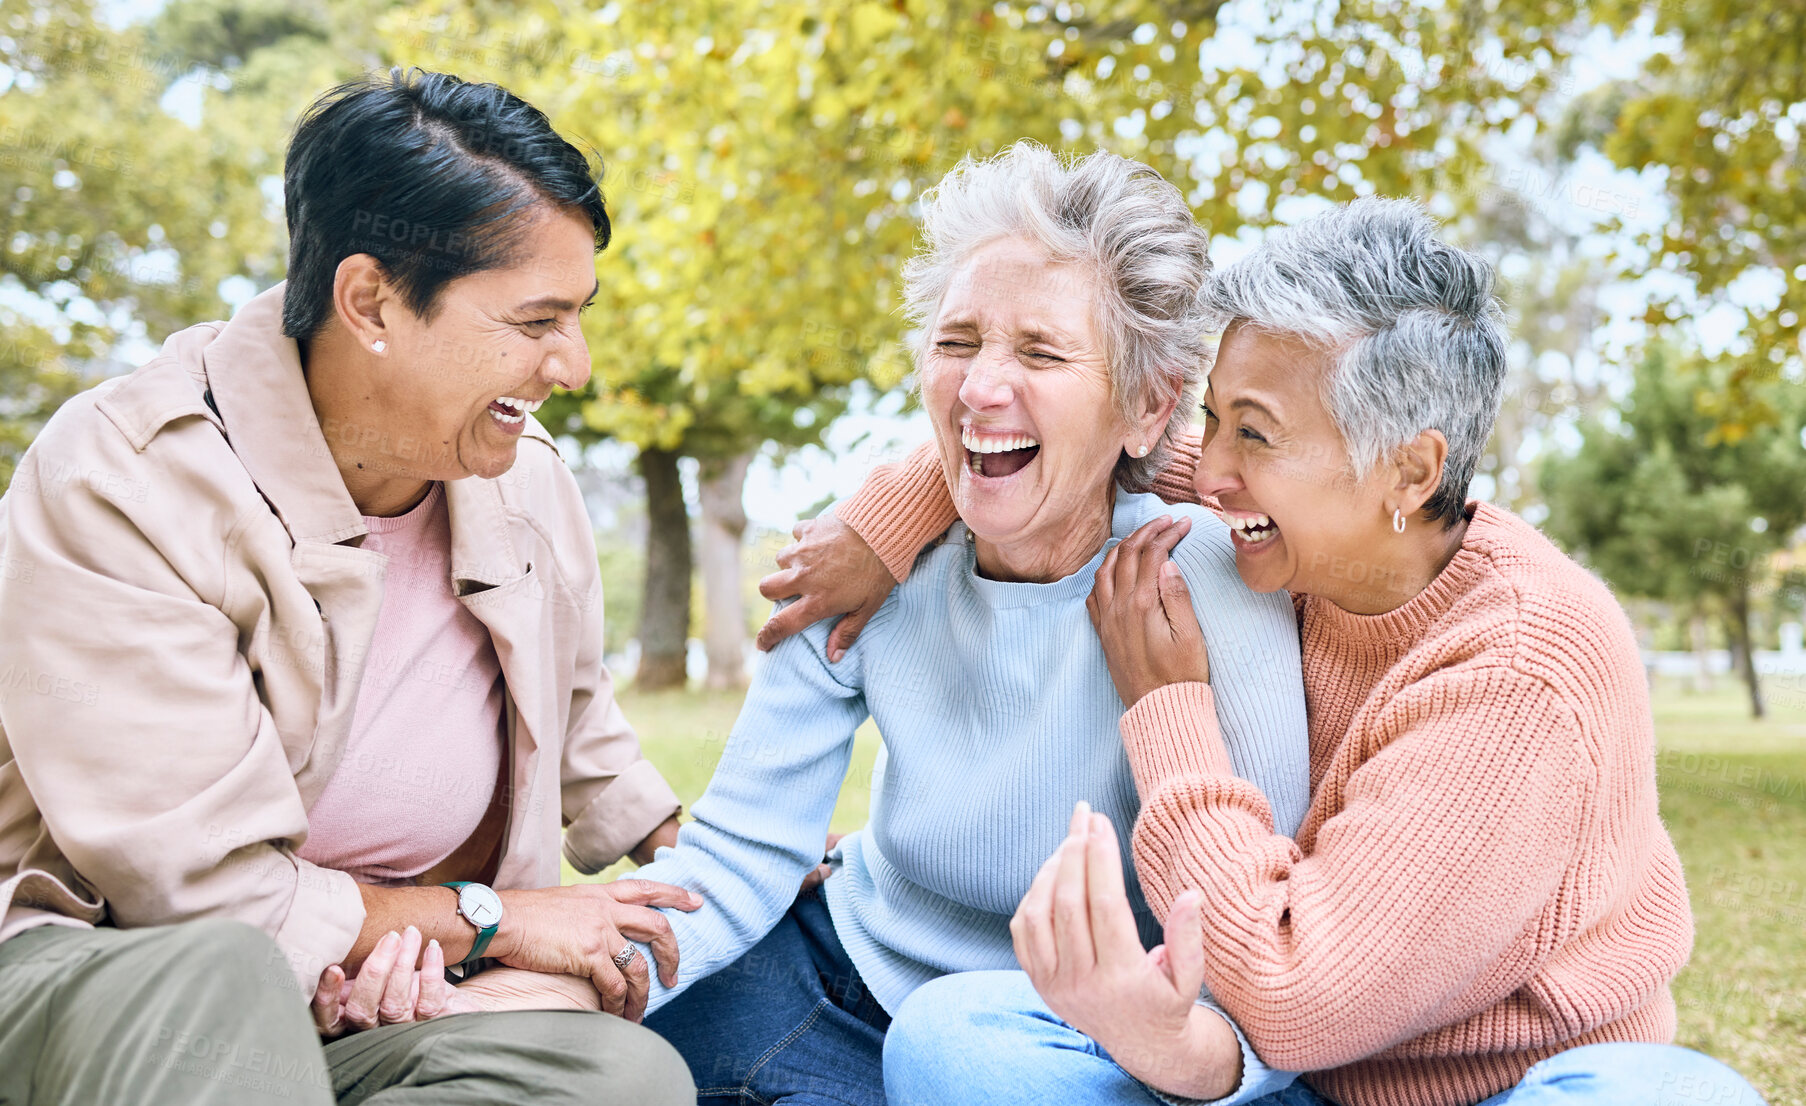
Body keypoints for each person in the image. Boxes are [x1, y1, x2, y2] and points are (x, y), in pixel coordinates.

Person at [765, 198, 1767, 1106]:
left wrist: (1169, 709)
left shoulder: (1518, 672)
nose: (1215, 469)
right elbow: (1059, 438)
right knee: (957, 1038)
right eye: (1213, 416)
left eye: (1254, 432)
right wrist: (882, 522)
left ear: (1410, 469)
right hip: (1262, 1077)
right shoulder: (1312, 526)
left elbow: (1294, 994)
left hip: (1496, 1082)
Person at [0, 68, 697, 1105]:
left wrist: (707, 840)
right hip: (117, 977)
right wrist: (482, 918)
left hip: (380, 983)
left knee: (614, 1076)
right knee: (226, 980)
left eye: (577, 315)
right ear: (370, 300)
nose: (575, 364)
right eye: (537, 319)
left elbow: (576, 715)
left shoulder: (522, 480)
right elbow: (198, 897)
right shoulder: (122, 479)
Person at [616, 141, 1312, 1106]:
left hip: (1077, 1041)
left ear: (1149, 408)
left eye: (1040, 352)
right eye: (956, 343)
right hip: (846, 971)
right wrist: (567, 976)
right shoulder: (862, 565)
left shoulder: (1219, 583)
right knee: (601, 1059)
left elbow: (1260, 944)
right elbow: (736, 857)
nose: (981, 388)